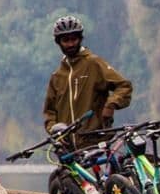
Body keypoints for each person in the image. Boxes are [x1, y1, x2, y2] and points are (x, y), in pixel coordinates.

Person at [42, 14, 133, 144]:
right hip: (68, 148)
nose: (70, 44)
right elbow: (49, 112)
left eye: (74, 39)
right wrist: (54, 130)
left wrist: (111, 105)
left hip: (94, 141)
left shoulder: (93, 63)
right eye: (65, 40)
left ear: (80, 39)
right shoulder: (57, 76)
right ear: (58, 42)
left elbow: (124, 86)